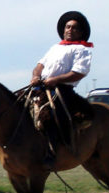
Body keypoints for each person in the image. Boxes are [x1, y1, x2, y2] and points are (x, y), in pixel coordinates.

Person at [30, 11, 94, 162]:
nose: (70, 30)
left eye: (74, 28)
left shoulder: (82, 50)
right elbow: (39, 66)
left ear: (81, 32)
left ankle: (53, 152)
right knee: (16, 105)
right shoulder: (55, 48)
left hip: (62, 90)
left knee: (51, 114)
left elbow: (79, 72)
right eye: (67, 27)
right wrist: (35, 76)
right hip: (41, 87)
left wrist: (55, 80)